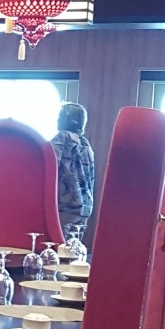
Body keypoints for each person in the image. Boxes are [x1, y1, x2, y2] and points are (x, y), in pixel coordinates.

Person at [51, 102, 96, 242]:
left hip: (66, 202)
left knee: (59, 247)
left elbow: (50, 164)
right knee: (74, 248)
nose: (57, 119)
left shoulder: (62, 138)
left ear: (68, 119)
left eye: (60, 116)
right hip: (85, 204)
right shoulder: (85, 143)